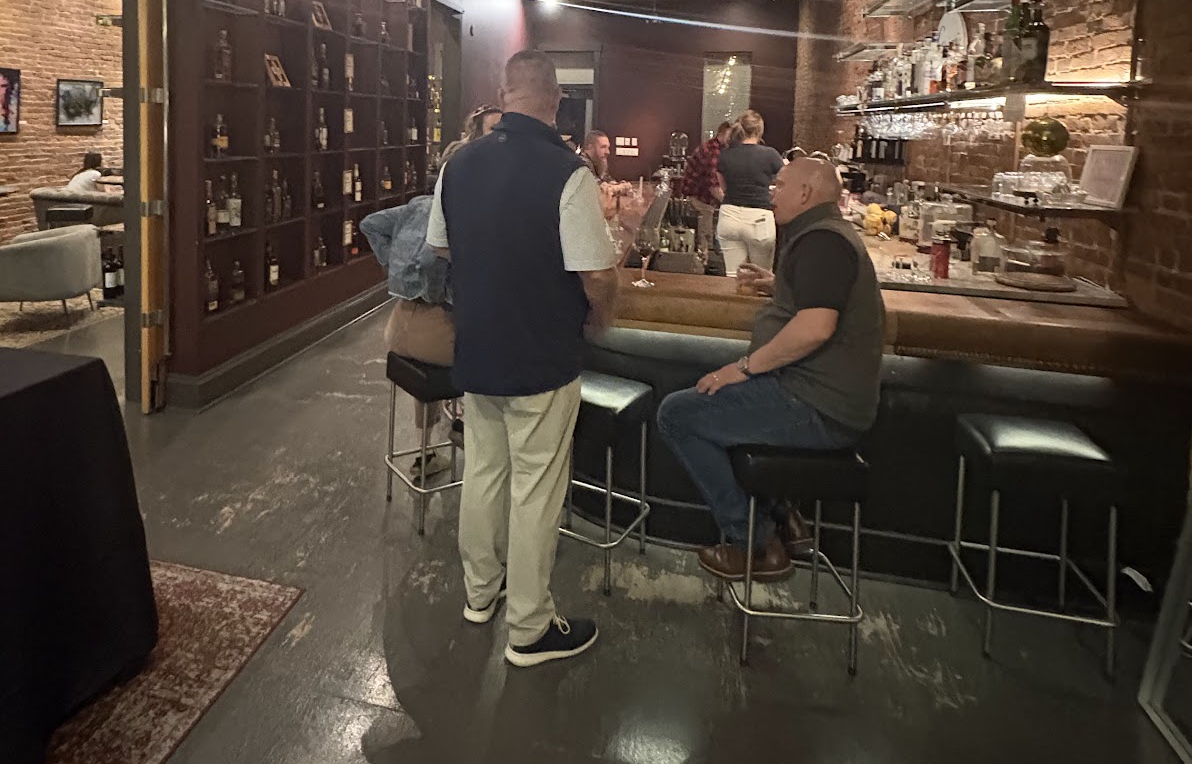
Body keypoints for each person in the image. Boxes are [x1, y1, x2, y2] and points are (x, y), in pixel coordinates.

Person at [426, 50, 621, 668]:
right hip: (542, 351)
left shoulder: (458, 164)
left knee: (485, 472)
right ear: (556, 100)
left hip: (478, 343)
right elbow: (596, 273)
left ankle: (480, 595)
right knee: (536, 488)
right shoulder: (569, 172)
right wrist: (600, 316)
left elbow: (440, 247)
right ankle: (530, 629)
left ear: (503, 91)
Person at [656, 156, 883, 585]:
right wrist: (781, 285)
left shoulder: (822, 241)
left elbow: (816, 327)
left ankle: (755, 543)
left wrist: (742, 368)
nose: (771, 193)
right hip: (816, 395)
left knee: (678, 415)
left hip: (820, 407)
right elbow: (821, 295)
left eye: (780, 185)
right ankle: (783, 513)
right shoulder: (824, 234)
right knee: (719, 407)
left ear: (806, 193)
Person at [362, 145, 460, 481]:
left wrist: (395, 267)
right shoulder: (459, 214)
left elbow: (370, 224)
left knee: (432, 367)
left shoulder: (419, 204)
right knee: (497, 350)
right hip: (435, 336)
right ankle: (470, 430)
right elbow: (433, 259)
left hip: (398, 330)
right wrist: (432, 290)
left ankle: (426, 450)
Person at [712, 109, 784, 276]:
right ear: (759, 131)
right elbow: (786, 183)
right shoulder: (770, 154)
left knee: (733, 276)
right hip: (760, 219)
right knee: (761, 277)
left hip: (729, 216)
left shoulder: (725, 155)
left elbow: (724, 188)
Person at [677, 122, 733, 268]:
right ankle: (703, 262)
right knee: (705, 225)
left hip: (703, 195)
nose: (732, 139)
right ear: (720, 134)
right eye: (730, 136)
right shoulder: (711, 152)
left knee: (711, 220)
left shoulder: (718, 148)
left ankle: (707, 257)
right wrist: (731, 203)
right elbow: (713, 187)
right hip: (698, 196)